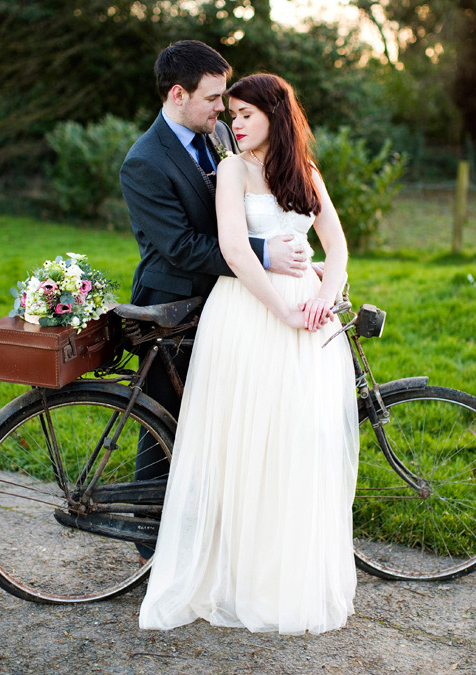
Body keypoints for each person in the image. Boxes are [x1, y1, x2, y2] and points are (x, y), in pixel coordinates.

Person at [138, 73, 359, 635]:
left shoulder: (306, 172)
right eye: (229, 114)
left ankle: (280, 572)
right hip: (247, 312)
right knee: (242, 439)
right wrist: (281, 310)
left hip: (306, 318)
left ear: (275, 115)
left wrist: (323, 301)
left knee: (296, 441)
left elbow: (336, 248)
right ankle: (230, 571)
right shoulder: (232, 169)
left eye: (244, 114)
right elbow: (235, 249)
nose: (232, 125)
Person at [120, 42, 311, 556]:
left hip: (230, 301)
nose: (223, 108)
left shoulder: (221, 133)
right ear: (178, 94)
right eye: (213, 97)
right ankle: (150, 543)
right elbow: (180, 246)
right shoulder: (144, 162)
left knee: (221, 417)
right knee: (165, 418)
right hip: (172, 303)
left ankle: (209, 531)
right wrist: (262, 252)